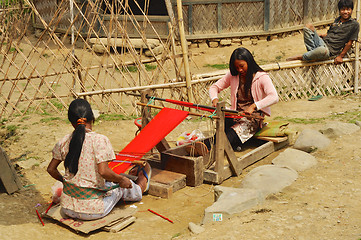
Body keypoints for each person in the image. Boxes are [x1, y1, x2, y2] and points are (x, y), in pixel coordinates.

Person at [47, 98, 151, 220]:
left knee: (106, 183)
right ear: (92, 118)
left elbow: (51, 169)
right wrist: (122, 179)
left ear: (71, 122)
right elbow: (104, 172)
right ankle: (140, 188)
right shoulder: (99, 140)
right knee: (119, 188)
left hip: (67, 208)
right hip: (93, 211)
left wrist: (65, 182)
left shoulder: (64, 141)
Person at [209, 47, 279, 151]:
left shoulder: (261, 77)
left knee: (229, 135)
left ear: (249, 62)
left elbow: (274, 97)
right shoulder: (233, 75)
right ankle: (206, 145)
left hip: (252, 118)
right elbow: (214, 87)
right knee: (222, 126)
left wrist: (254, 106)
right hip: (235, 114)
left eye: (242, 66)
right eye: (236, 67)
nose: (239, 70)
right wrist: (214, 99)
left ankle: (207, 146)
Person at [287, 0, 359, 64]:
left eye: (348, 9)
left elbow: (350, 42)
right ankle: (313, 55)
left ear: (351, 10)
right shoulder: (337, 20)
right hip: (322, 42)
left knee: (321, 50)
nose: (345, 12)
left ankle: (302, 57)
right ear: (339, 10)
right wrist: (319, 35)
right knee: (308, 26)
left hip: (329, 50)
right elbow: (329, 34)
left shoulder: (354, 24)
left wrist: (341, 56)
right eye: (343, 9)